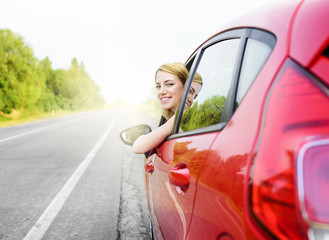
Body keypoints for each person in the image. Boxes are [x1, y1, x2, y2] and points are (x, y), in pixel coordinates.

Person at [132, 62, 202, 154]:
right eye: (158, 86)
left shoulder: (179, 119)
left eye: (169, 84)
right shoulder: (174, 119)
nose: (191, 99)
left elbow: (138, 147)